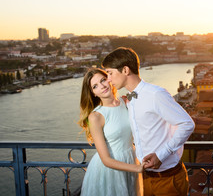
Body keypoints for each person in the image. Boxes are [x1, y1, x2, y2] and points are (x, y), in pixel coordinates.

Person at [102, 47, 195, 196]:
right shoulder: (131, 98)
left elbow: (187, 124)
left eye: (110, 73)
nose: (108, 79)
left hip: (168, 179)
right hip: (144, 177)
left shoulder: (155, 94)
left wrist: (161, 155)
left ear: (125, 70)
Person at [78, 67, 143, 196]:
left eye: (103, 80)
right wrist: (138, 168)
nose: (102, 86)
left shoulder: (126, 102)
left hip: (131, 158)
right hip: (110, 170)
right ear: (93, 93)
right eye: (95, 86)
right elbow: (106, 160)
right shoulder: (95, 116)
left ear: (109, 79)